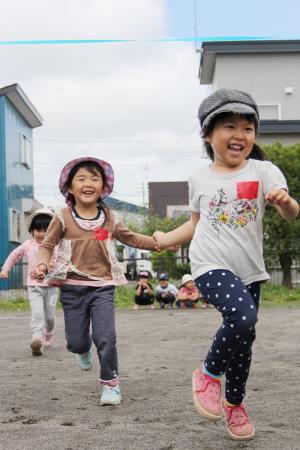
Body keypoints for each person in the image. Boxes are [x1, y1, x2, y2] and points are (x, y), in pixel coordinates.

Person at [153, 89, 299, 441]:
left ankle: (234, 404)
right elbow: (195, 223)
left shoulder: (265, 171)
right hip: (209, 263)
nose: (240, 135)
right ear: (208, 134)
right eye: (230, 126)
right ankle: (207, 374)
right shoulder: (198, 177)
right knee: (243, 316)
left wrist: (285, 202)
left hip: (249, 268)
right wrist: (165, 239)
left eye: (248, 128)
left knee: (244, 342)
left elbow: (292, 215)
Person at [34, 157, 157, 407]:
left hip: (102, 287)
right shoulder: (63, 216)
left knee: (106, 337)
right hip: (72, 287)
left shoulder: (110, 217)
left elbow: (131, 238)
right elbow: (47, 245)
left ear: (103, 187)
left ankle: (110, 384)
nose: (88, 183)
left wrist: (158, 242)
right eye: (81, 178)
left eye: (94, 178)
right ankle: (82, 349)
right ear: (70, 188)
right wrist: (41, 263)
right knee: (76, 341)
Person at [0, 207, 58, 356]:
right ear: (32, 230)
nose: (41, 234)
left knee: (50, 317)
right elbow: (14, 255)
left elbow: (64, 261)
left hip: (51, 287)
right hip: (34, 287)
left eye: (46, 230)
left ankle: (49, 332)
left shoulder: (55, 246)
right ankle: (36, 339)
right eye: (38, 230)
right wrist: (6, 269)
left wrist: (53, 265)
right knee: (37, 314)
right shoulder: (28, 245)